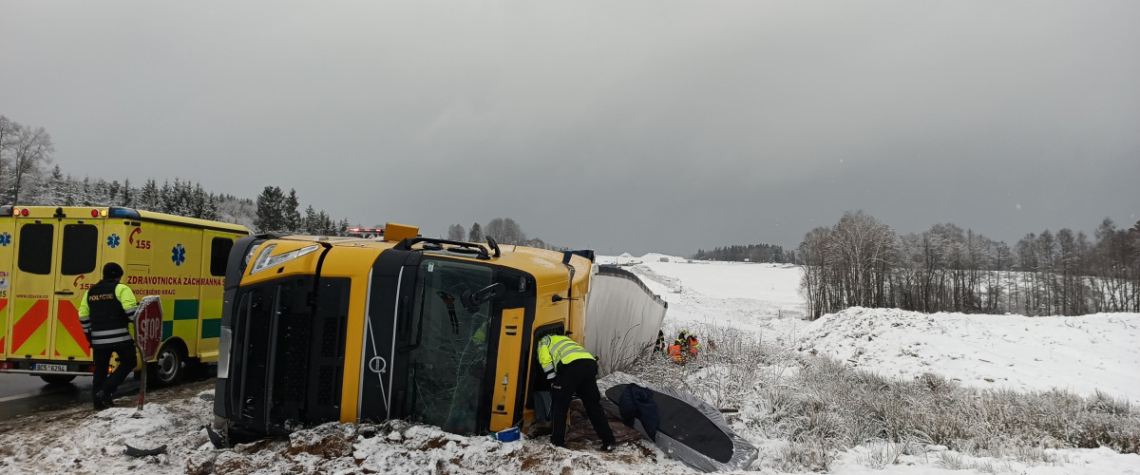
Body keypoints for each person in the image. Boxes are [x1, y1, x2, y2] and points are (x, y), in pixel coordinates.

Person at [536, 333, 616, 451]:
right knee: (593, 406)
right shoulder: (566, 340)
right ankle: (609, 441)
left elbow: (545, 360)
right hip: (589, 365)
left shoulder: (544, 340)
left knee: (560, 405)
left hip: (571, 367)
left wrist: (553, 380)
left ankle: (557, 442)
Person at [78, 262, 139, 410]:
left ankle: (98, 404)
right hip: (120, 338)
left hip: (98, 339)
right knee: (129, 362)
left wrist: (89, 335)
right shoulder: (121, 288)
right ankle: (106, 391)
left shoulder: (90, 292)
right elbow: (132, 312)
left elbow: (83, 315)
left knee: (100, 369)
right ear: (118, 276)